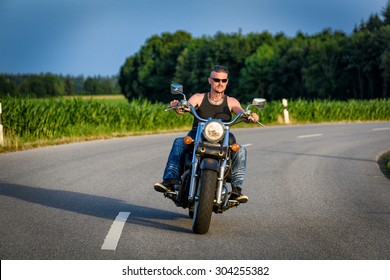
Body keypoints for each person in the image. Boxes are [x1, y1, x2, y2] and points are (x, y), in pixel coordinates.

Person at [154, 65, 259, 203]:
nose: (220, 83)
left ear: (227, 82)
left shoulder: (231, 101)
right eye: (216, 80)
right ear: (210, 80)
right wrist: (178, 106)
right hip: (198, 133)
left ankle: (236, 190)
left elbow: (240, 111)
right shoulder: (199, 97)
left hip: (223, 137)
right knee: (179, 142)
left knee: (241, 150)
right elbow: (186, 106)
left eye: (223, 80)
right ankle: (169, 181)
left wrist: (250, 115)